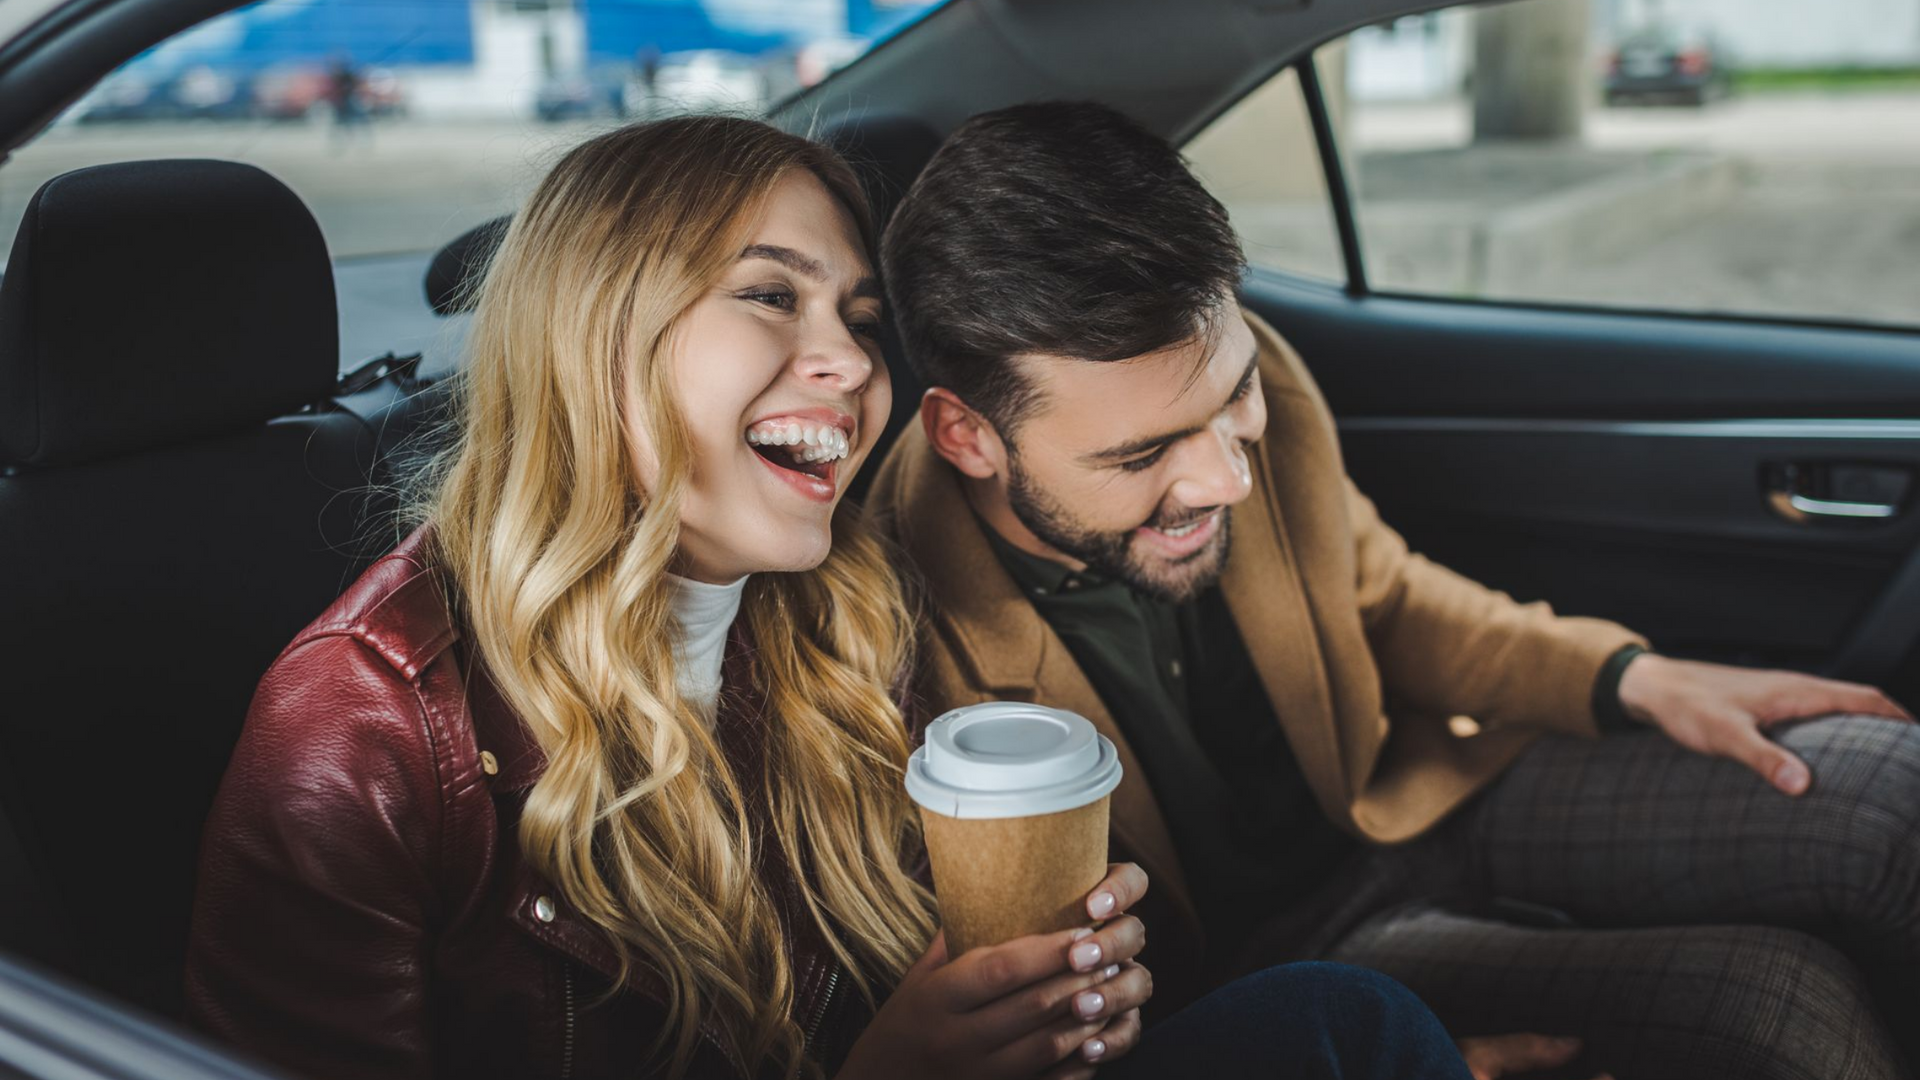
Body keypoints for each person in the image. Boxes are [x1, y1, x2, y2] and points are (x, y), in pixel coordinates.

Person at [184, 116, 1474, 1080]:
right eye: (768, 296)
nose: (854, 362)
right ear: (597, 336)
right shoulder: (359, 731)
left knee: (1341, 1023)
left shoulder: (838, 609)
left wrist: (1073, 972)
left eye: (860, 315)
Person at [869, 100, 1920, 1080]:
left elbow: (1382, 596)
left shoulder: (1252, 372)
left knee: (1891, 793)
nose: (1228, 479)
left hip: (1409, 794)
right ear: (968, 435)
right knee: (1784, 1005)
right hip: (1271, 969)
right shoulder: (888, 634)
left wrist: (1636, 680)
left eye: (1230, 402)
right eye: (1141, 455)